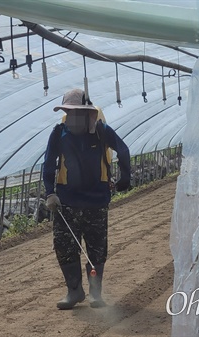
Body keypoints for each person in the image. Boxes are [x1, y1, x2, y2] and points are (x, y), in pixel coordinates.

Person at [43, 88, 131, 310]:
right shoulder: (59, 133)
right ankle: (74, 291)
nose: (73, 117)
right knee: (64, 246)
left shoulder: (101, 131)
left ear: (87, 112)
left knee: (97, 247)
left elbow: (123, 150)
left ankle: (95, 293)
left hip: (96, 201)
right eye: (68, 112)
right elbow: (48, 163)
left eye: (77, 112)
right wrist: (50, 193)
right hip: (67, 202)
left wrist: (124, 179)